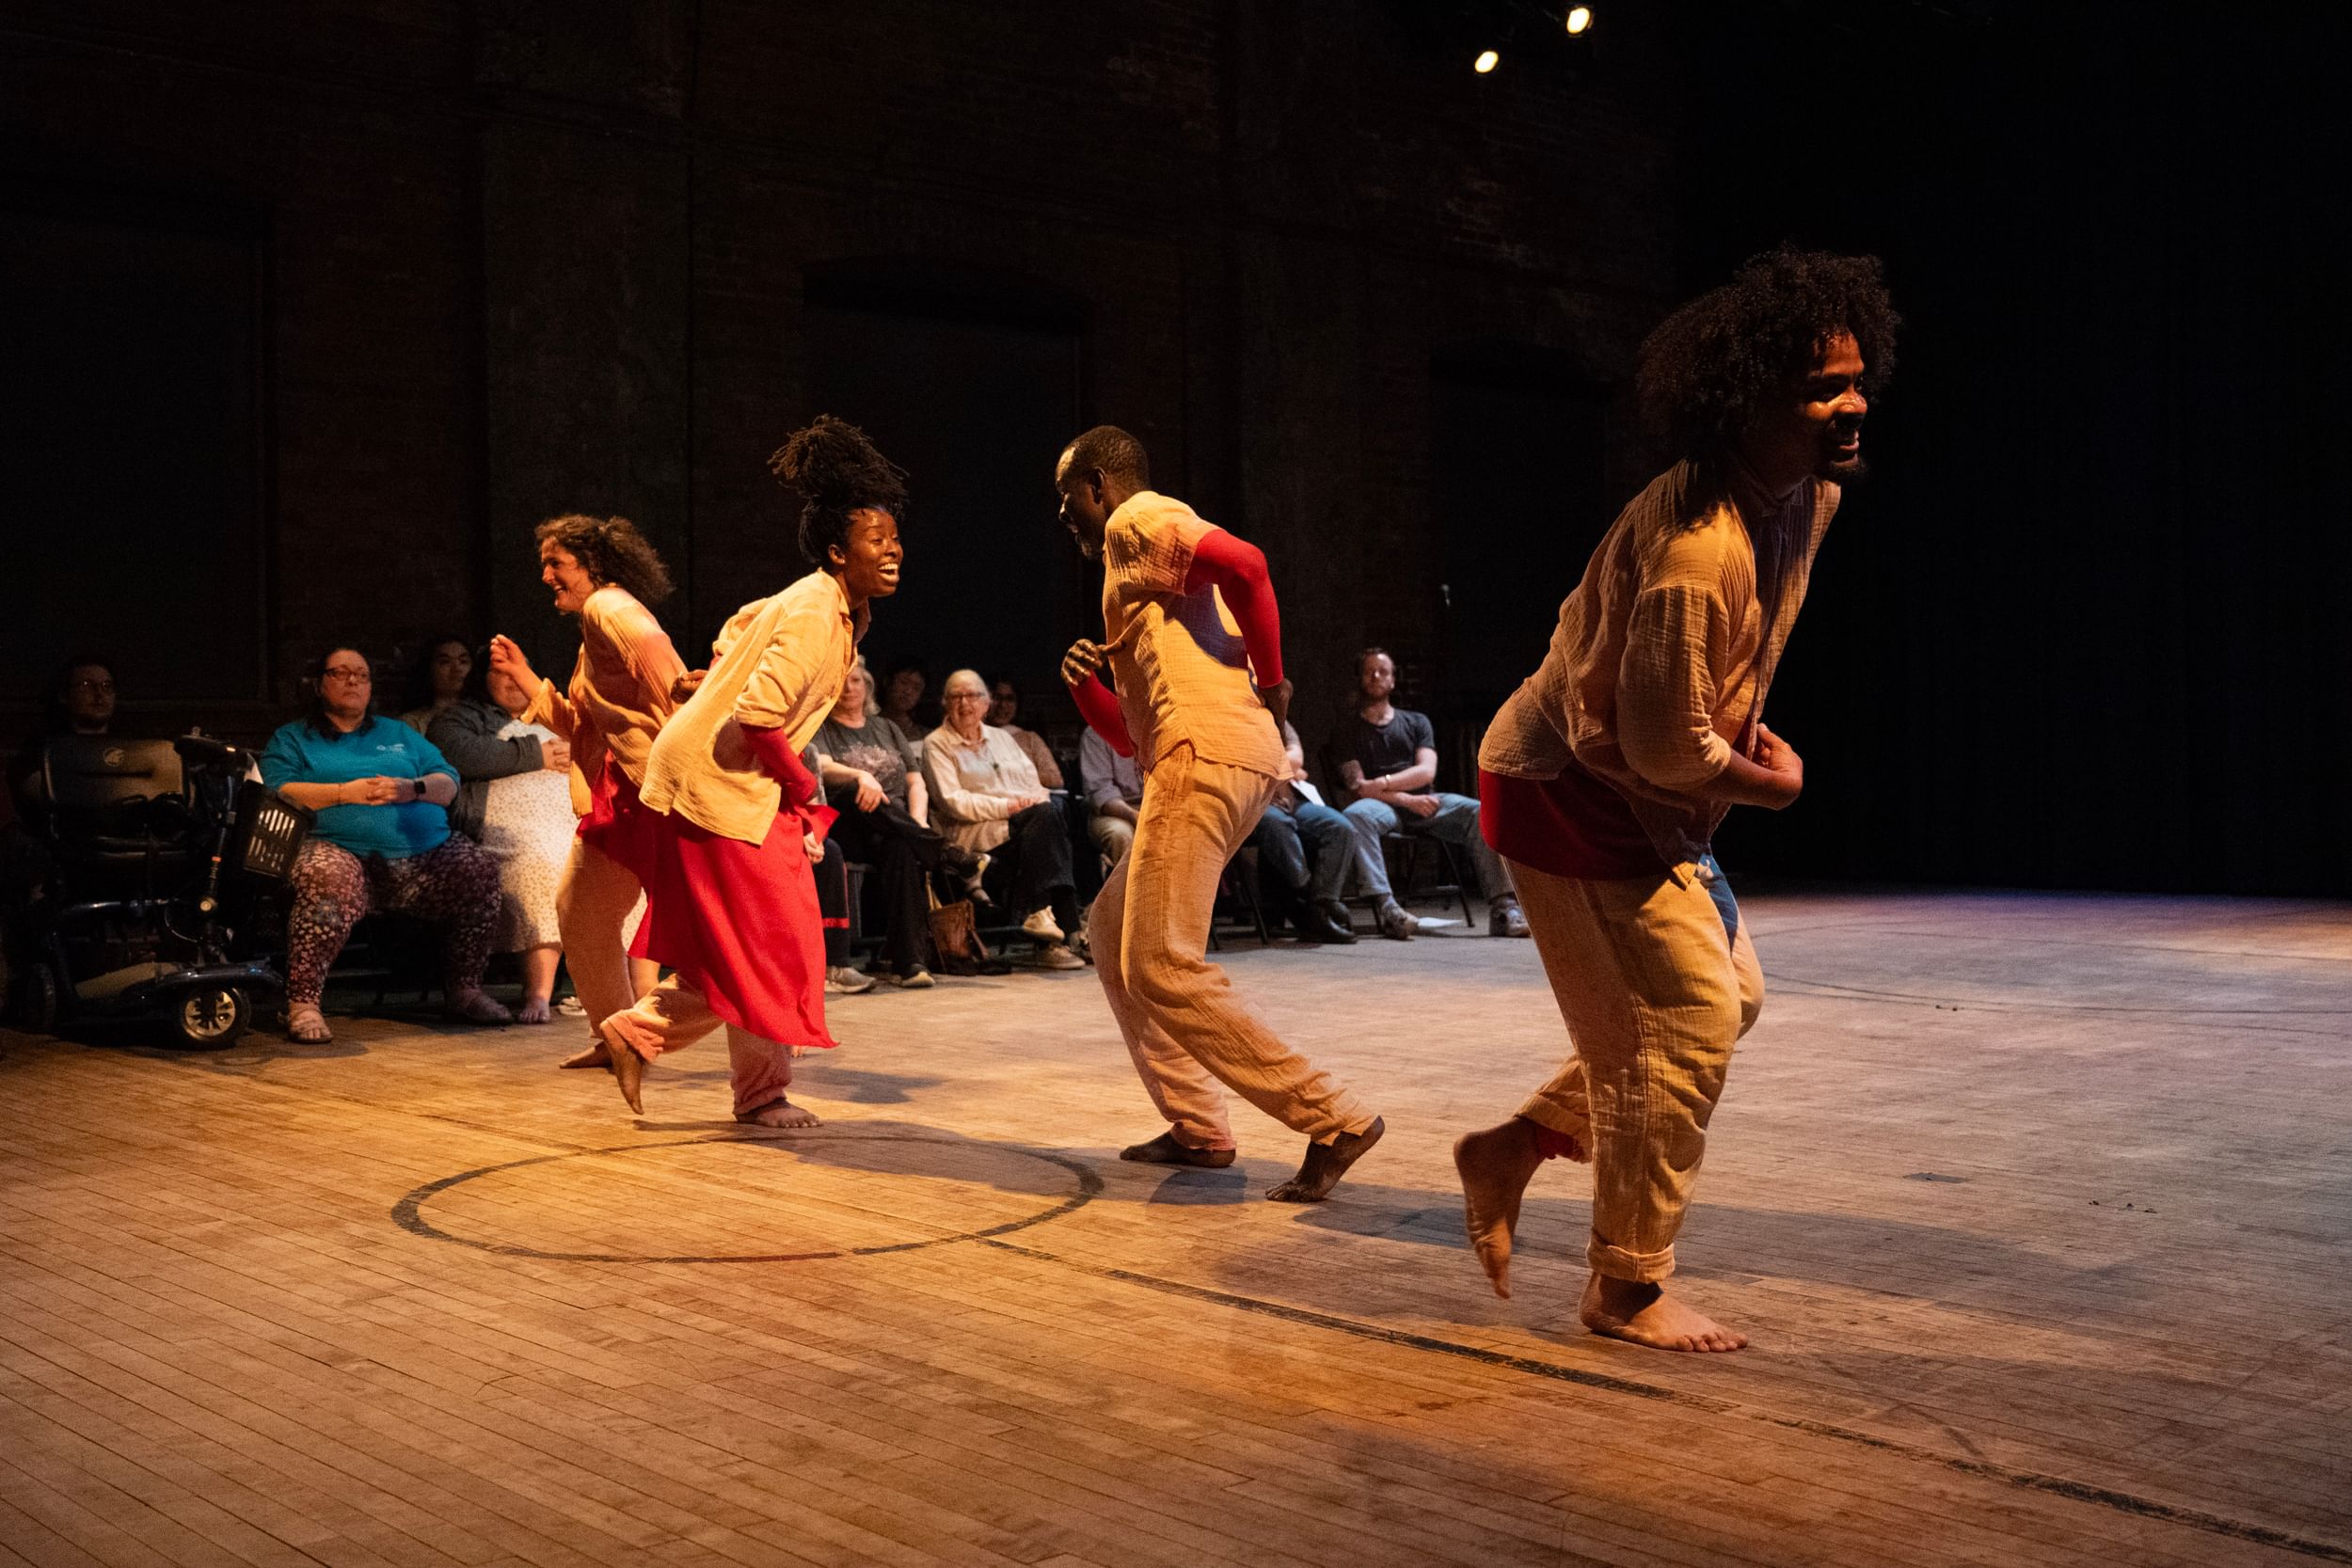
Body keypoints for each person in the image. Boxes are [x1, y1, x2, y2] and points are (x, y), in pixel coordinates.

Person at [1453, 245, 1897, 1353]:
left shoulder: (1803, 498)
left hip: (1628, 791)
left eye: (1854, 378)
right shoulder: (1699, 548)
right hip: (1572, 792)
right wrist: (1771, 785)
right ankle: (1625, 1287)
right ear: (1744, 400)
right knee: (1686, 1020)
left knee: (1723, 999)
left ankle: (1511, 1146)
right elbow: (1658, 744)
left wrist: (1729, 723)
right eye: (1820, 388)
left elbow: (1704, 692)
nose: (1851, 403)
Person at [1057, 424, 1383, 1202]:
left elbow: (1250, 564)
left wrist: (1276, 679)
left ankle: (1332, 1115)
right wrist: (1087, 690)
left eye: (1067, 495)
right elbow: (1131, 741)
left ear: (1099, 484)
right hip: (1211, 754)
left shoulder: (1136, 522)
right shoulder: (1143, 578)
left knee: (1161, 962)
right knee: (1114, 930)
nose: (1062, 513)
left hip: (1204, 757)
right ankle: (1198, 1125)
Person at [595, 415, 907, 1128]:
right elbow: (762, 720)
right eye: (876, 540)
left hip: (731, 780)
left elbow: (741, 628)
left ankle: (640, 1033)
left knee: (760, 946)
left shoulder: (836, 609)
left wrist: (718, 675)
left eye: (894, 539)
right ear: (837, 550)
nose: (893, 551)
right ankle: (753, 1088)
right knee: (777, 945)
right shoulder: (813, 610)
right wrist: (803, 790)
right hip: (714, 785)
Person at [486, 514, 683, 1069]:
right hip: (618, 794)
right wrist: (526, 677)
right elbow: (584, 725)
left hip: (651, 792)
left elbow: (662, 668)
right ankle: (619, 1039)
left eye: (557, 564)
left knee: (708, 922)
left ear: (591, 565)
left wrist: (685, 738)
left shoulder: (609, 608)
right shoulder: (596, 623)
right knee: (581, 913)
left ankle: (767, 1027)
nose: (546, 575)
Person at [260, 647, 511, 1043]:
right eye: (341, 673)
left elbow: (447, 782)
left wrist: (412, 788)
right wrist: (345, 792)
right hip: (336, 848)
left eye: (361, 675)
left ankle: (464, 991)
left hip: (422, 854)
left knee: (478, 869)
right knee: (325, 878)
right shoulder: (294, 738)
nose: (353, 682)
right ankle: (303, 1003)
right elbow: (277, 790)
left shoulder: (397, 734)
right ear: (320, 683)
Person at [426, 652, 579, 1022]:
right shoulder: (461, 717)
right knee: (540, 858)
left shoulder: (557, 715)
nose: (512, 681)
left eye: (519, 672)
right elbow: (461, 753)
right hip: (509, 826)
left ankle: (628, 990)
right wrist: (534, 754)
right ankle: (539, 992)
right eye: (500, 673)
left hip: (567, 816)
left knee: (613, 858)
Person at [815, 656, 982, 990]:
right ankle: (943, 851)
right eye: (842, 681)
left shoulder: (886, 727)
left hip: (894, 828)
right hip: (848, 825)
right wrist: (862, 775)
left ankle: (908, 962)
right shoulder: (822, 726)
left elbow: (915, 781)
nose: (849, 688)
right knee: (854, 791)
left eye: (856, 680)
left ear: (868, 686)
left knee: (903, 848)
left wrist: (918, 823)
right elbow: (823, 766)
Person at [1336, 648, 1526, 940]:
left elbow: (1426, 772)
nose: (1376, 676)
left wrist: (1385, 783)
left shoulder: (1416, 722)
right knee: (1354, 816)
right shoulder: (1347, 729)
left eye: (1383, 671)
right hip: (1383, 807)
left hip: (1427, 804)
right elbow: (1360, 788)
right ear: (1359, 679)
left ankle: (1504, 910)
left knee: (1478, 810)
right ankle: (1389, 910)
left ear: (1393, 680)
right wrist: (1405, 799)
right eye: (1369, 671)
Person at [924, 669, 1087, 970]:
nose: (965, 704)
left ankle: (1048, 926)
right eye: (956, 696)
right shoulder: (936, 744)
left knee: (1049, 817)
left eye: (973, 695)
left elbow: (1034, 785)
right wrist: (1008, 806)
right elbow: (952, 802)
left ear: (986, 703)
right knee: (1046, 827)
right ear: (945, 703)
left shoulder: (1002, 738)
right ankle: (1065, 931)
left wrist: (1031, 803)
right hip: (973, 836)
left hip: (1023, 828)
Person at [1248, 718, 1358, 943]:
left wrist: (1275, 769)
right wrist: (1284, 770)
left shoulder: (1272, 714)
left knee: (1340, 827)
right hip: (1253, 802)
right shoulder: (1226, 714)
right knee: (1277, 824)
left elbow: (1296, 756)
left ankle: (1323, 902)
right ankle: (1306, 895)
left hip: (1291, 799)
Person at [1078, 723, 1143, 868]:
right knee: (1120, 834)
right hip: (1113, 812)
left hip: (1153, 807)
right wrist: (1135, 816)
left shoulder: (1155, 727)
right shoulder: (1095, 733)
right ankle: (1126, 889)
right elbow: (1101, 793)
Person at [985, 679, 1064, 788]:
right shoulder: (970, 736)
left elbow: (1053, 779)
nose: (1002, 705)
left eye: (1010, 699)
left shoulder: (1030, 739)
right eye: (997, 698)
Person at [396, 638, 471, 734]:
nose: (457, 668)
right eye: (445, 662)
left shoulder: (485, 716)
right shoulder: (412, 723)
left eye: (463, 661)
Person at [877, 662, 929, 736]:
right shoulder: (866, 726)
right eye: (904, 683)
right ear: (887, 681)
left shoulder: (924, 735)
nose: (908, 692)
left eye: (916, 688)